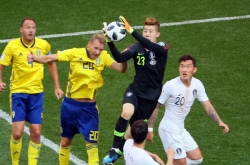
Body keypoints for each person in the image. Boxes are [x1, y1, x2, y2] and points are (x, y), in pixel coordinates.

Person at [27, 33, 128, 165]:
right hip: (69, 107)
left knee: (92, 146)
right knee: (65, 142)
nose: (97, 52)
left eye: (100, 49)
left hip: (89, 110)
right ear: (89, 44)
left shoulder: (104, 57)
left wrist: (124, 58)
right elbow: (50, 58)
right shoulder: (74, 53)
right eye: (95, 48)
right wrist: (34, 58)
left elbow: (121, 69)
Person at [102, 15, 169, 164]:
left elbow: (151, 46)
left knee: (130, 133)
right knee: (126, 112)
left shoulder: (162, 47)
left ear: (157, 34)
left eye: (151, 31)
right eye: (145, 30)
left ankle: (112, 159)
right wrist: (109, 41)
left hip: (150, 98)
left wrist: (132, 31)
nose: (147, 33)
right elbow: (119, 58)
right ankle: (114, 149)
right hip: (135, 91)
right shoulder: (135, 47)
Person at [0, 17, 64, 165]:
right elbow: (1, 64)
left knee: (36, 132)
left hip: (37, 94)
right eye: (28, 27)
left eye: (33, 28)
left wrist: (57, 86)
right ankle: (15, 163)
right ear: (21, 29)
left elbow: (51, 61)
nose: (31, 30)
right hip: (18, 93)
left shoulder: (43, 45)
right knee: (17, 133)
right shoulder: (12, 46)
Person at [147, 55, 230, 165]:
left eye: (188, 66)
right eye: (182, 66)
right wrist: (150, 129)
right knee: (182, 163)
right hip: (169, 129)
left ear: (194, 69)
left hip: (180, 129)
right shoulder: (170, 86)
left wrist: (220, 121)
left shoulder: (197, 85)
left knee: (197, 159)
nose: (184, 69)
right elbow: (156, 107)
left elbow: (208, 107)